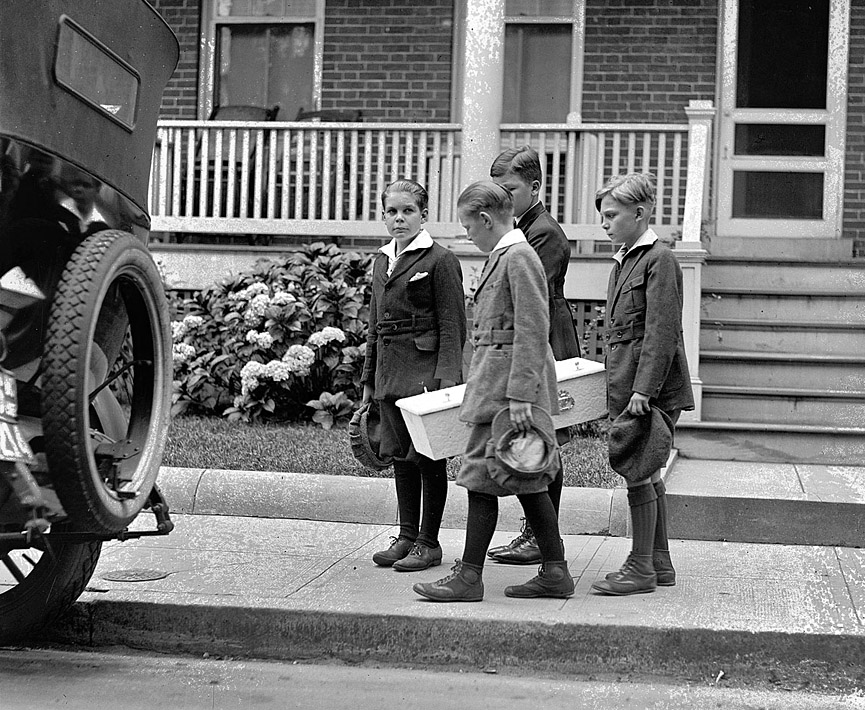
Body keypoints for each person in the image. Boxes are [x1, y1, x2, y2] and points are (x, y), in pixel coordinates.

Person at [413, 181, 574, 602]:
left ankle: (470, 577)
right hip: (496, 389)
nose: (468, 234)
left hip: (508, 395)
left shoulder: (518, 257)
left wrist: (521, 395)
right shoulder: (506, 255)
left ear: (486, 219)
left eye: (469, 226)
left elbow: (534, 328)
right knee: (522, 479)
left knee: (488, 479)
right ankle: (553, 570)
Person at [590, 173, 694, 596]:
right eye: (602, 216)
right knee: (646, 469)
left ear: (640, 213)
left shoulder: (659, 259)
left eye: (612, 215)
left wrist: (643, 391)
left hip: (649, 389)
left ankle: (640, 567)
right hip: (629, 384)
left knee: (638, 469)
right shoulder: (625, 260)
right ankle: (660, 563)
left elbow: (662, 332)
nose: (605, 223)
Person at [362, 179, 467, 572]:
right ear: (383, 215)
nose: (399, 218)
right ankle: (406, 535)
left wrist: (446, 380)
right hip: (390, 372)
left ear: (424, 215)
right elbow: (374, 323)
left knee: (427, 457)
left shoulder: (440, 260)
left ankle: (429, 541)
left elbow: (453, 325)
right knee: (398, 455)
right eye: (392, 211)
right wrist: (370, 379)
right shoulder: (381, 259)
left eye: (408, 211)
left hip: (425, 374)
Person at [486, 145, 581, 565]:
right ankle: (537, 535)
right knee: (535, 440)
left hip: (547, 342)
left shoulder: (542, 233)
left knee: (543, 440)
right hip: (535, 339)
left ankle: (541, 537)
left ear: (535, 186)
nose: (504, 198)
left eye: (511, 189)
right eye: (498, 190)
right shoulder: (522, 226)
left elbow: (529, 301)